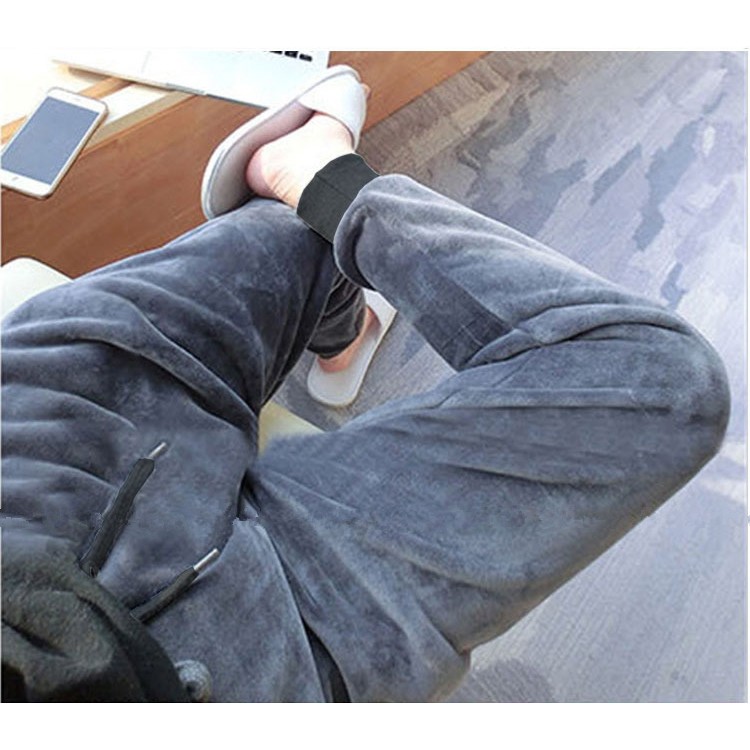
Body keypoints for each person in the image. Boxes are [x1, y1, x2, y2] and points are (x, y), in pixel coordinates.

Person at [1, 70, 730, 703]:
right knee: (654, 381)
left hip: (25, 494)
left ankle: (342, 329)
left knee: (297, 240)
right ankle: (325, 186)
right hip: (197, 665)